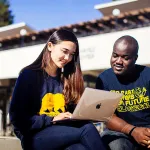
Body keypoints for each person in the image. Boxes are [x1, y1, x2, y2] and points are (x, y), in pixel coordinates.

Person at [9, 29, 106, 150]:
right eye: (65, 51)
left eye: (72, 54)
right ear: (50, 46)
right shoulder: (29, 75)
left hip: (62, 132)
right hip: (34, 136)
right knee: (87, 128)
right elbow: (17, 118)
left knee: (79, 148)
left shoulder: (67, 79)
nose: (67, 58)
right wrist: (52, 119)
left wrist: (86, 113)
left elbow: (70, 114)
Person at [96, 35, 150, 150]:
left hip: (148, 129)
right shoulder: (104, 79)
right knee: (115, 144)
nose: (118, 61)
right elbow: (107, 117)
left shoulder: (148, 75)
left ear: (135, 58)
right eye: (115, 56)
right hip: (121, 131)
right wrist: (133, 131)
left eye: (125, 58)